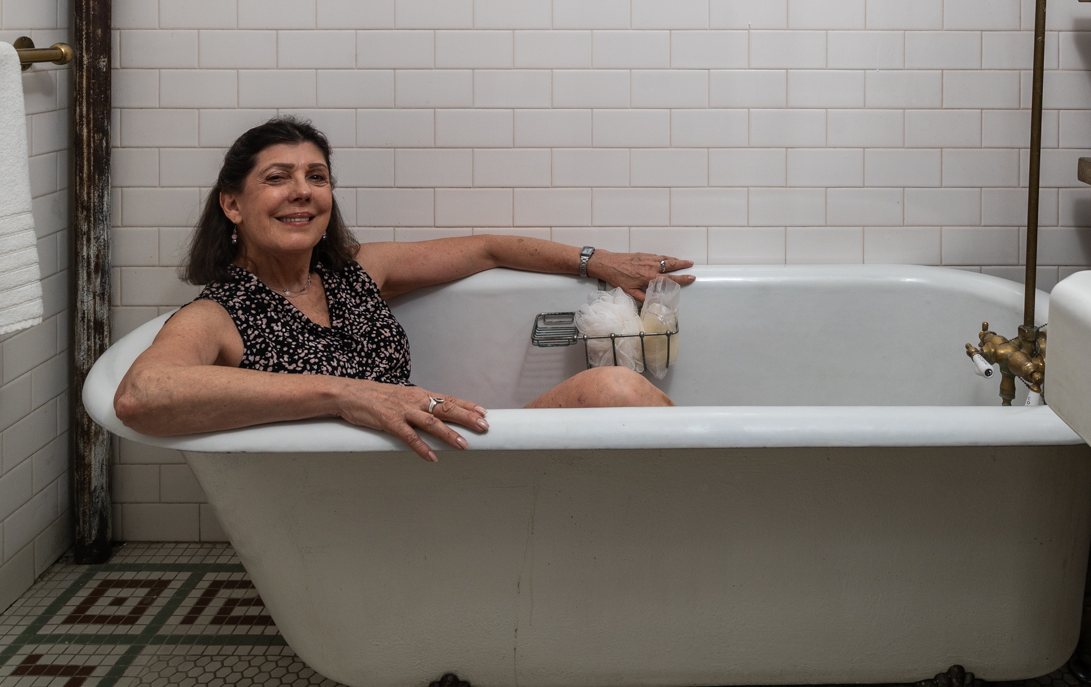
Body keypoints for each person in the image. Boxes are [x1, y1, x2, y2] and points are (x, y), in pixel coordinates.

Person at [114, 116, 693, 461]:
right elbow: (141, 396)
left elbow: (487, 249)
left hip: (423, 461)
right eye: (277, 178)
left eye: (316, 177)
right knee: (614, 390)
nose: (303, 191)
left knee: (614, 392)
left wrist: (600, 262)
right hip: (363, 498)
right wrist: (344, 395)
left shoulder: (356, 273)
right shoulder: (221, 313)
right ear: (233, 204)